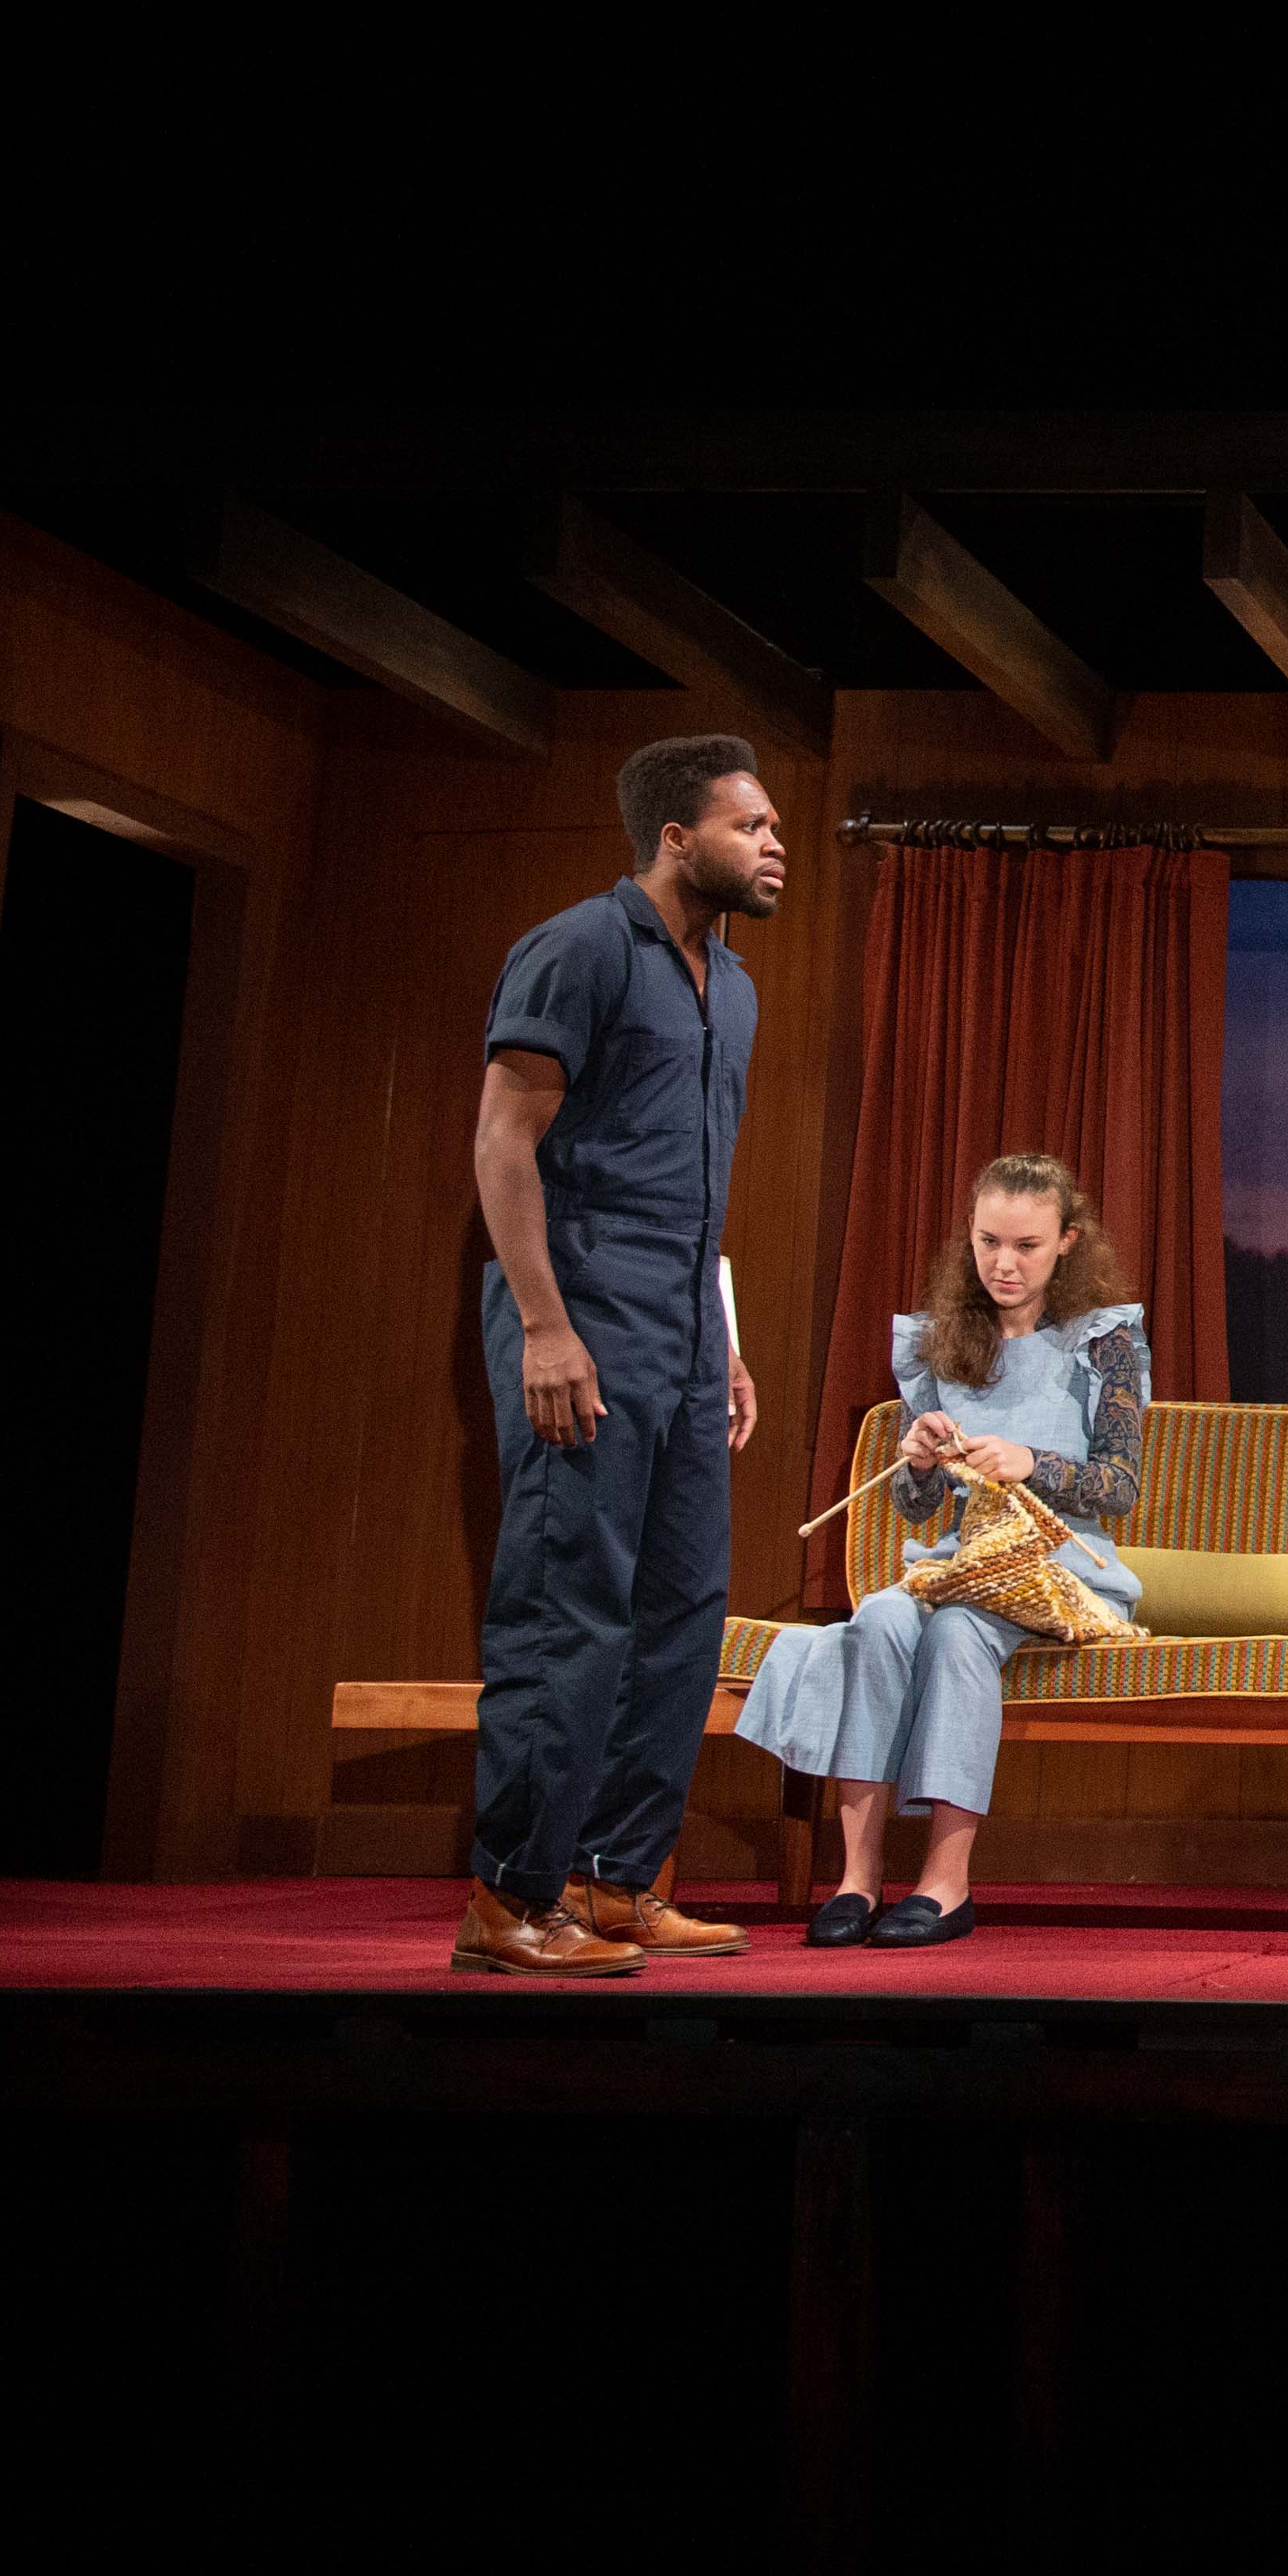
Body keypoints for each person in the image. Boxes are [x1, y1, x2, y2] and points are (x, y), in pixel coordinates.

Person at [454, 735, 781, 1978]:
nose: (774, 844)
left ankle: (615, 1877)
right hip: (582, 1310)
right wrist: (545, 1326)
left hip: (686, 1329)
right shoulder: (580, 947)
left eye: (774, 825)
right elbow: (504, 1142)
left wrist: (724, 1340)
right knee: (569, 1605)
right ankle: (509, 1894)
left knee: (683, 1611)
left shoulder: (731, 985)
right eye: (750, 824)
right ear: (676, 838)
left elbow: (694, 1189)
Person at [736, 1152, 1149, 1948]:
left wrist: (1032, 1462)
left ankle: (945, 1882)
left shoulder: (1104, 1341)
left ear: (1067, 1241)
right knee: (878, 1620)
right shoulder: (944, 1339)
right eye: (989, 1241)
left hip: (1060, 1569)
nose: (1004, 1262)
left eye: (1026, 1245)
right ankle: (857, 1879)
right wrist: (920, 1462)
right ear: (970, 1234)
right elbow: (917, 1507)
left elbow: (1119, 1485)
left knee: (959, 1629)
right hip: (962, 1560)